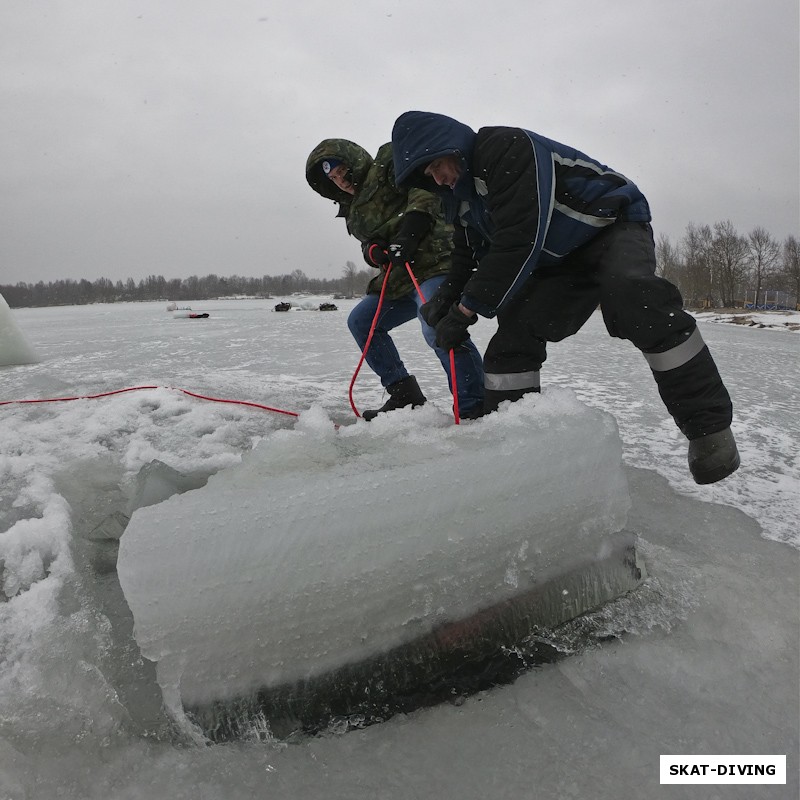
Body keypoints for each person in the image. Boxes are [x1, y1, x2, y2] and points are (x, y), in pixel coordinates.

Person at [390, 111, 739, 484]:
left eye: (436, 165)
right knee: (513, 340)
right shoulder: (458, 199)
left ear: (451, 145)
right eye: (428, 175)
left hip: (610, 225)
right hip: (559, 261)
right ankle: (512, 449)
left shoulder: (504, 148)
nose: (438, 177)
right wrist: (445, 299)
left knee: (636, 299)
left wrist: (467, 309)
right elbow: (466, 256)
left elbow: (519, 239)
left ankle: (710, 431)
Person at [305, 138, 484, 420]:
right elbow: (371, 243)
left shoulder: (387, 164)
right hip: (399, 278)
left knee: (436, 325)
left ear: (354, 162)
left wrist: (409, 234)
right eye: (333, 179)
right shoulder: (353, 208)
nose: (340, 181)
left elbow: (424, 193)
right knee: (362, 322)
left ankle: (474, 406)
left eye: (342, 172)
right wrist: (372, 251)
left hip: (434, 263)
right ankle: (404, 394)